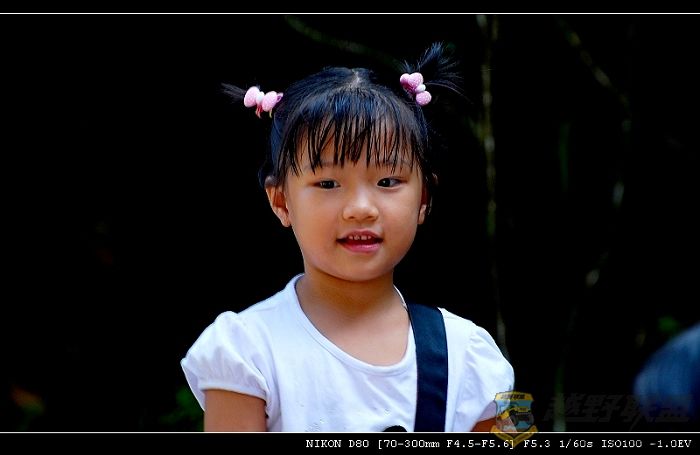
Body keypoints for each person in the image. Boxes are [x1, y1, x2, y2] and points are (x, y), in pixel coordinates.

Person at [181, 43, 514, 432]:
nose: (360, 208)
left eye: (387, 181)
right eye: (328, 183)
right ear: (281, 202)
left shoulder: (470, 355)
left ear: (423, 199)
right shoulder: (246, 352)